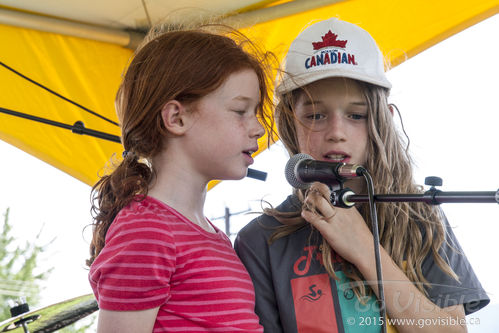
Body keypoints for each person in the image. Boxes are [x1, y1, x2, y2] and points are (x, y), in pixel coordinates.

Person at [235, 18, 489, 333]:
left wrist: (364, 248)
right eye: (315, 115)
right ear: (289, 124)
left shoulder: (421, 213)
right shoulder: (260, 239)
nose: (336, 132)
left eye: (356, 115)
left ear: (384, 120)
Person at [86, 25, 276, 332]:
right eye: (241, 110)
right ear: (177, 118)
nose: (258, 128)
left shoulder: (209, 234)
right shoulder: (147, 232)